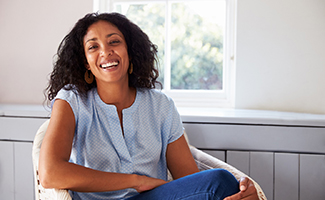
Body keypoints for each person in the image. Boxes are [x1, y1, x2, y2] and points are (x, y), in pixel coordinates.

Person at [39, 12, 258, 200]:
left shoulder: (160, 105)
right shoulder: (72, 100)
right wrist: (136, 181)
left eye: (114, 41)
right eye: (93, 46)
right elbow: (50, 173)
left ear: (130, 51)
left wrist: (237, 190)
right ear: (85, 62)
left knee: (222, 183)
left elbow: (190, 181)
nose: (105, 52)